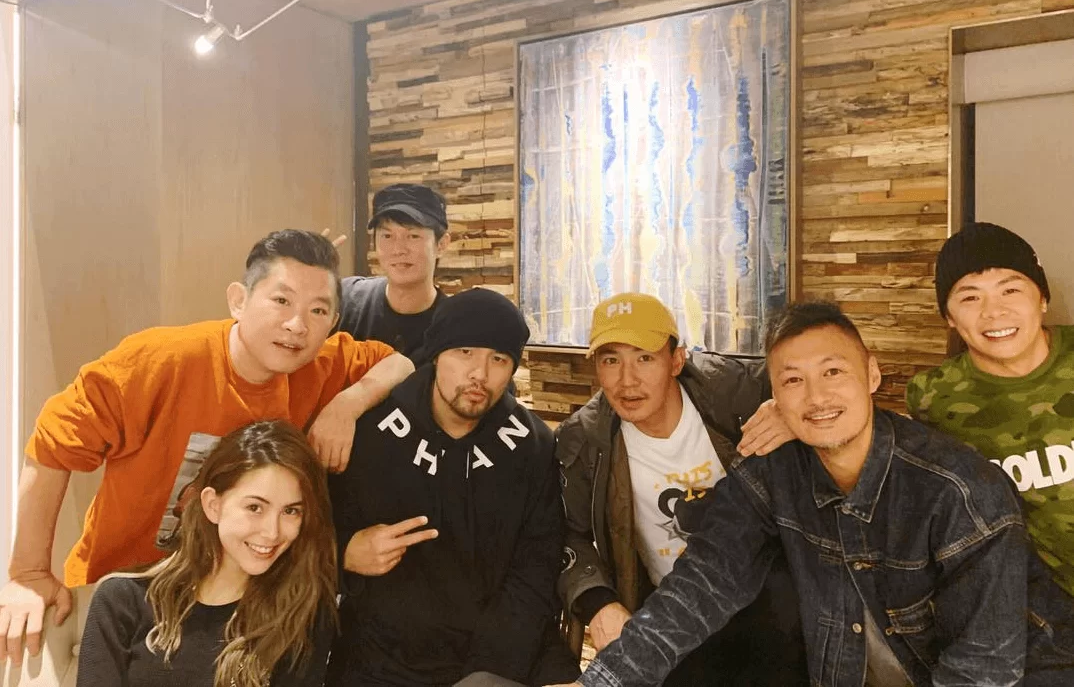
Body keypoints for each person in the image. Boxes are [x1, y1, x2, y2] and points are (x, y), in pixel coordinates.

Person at [548, 301, 1074, 687]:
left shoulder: (959, 490)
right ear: (773, 396)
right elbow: (699, 587)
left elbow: (985, 666)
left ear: (872, 374)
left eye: (833, 372)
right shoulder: (768, 477)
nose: (817, 397)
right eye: (794, 381)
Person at [0, 229, 413, 666]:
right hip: (128, 597)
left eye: (318, 310)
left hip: (236, 605)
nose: (297, 325)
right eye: (281, 301)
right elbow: (53, 443)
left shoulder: (320, 366)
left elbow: (400, 363)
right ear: (238, 300)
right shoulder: (162, 360)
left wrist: (347, 404)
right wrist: (28, 572)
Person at [328, 288, 580, 687]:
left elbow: (536, 567)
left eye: (498, 359)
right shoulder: (370, 432)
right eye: (465, 352)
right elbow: (308, 533)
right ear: (436, 354)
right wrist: (342, 552)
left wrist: (488, 670)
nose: (480, 373)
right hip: (385, 654)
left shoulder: (532, 445)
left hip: (501, 650)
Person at [555, 293, 807, 685]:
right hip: (672, 618)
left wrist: (795, 409)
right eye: (611, 360)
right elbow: (566, 533)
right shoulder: (584, 439)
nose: (627, 380)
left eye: (644, 358)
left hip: (772, 603)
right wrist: (598, 603)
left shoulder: (737, 391)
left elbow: (833, 379)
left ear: (676, 360)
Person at [77, 421, 337, 687]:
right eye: (255, 507)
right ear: (213, 505)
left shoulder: (304, 614)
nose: (272, 532)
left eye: (291, 511)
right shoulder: (122, 599)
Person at [907, 222, 1074, 598]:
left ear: (1042, 298)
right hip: (1037, 610)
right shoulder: (932, 398)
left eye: (1010, 290)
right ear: (949, 317)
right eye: (970, 297)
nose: (994, 312)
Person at [337, 183, 451, 359]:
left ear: (441, 244)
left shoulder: (454, 323)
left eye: (413, 236)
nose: (398, 249)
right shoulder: (345, 299)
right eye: (387, 236)